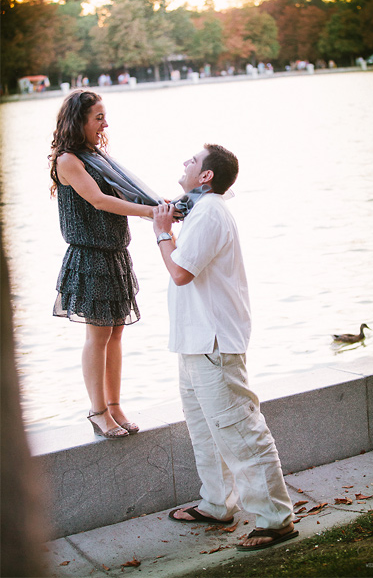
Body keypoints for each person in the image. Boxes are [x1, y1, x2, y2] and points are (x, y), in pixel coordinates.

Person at [151, 144, 297, 551]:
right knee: (205, 431)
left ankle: (275, 519)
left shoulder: (211, 211)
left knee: (241, 432)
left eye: (192, 160)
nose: (184, 162)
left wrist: (162, 232)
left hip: (214, 342)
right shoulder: (199, 211)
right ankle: (217, 504)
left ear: (206, 176)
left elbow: (180, 271)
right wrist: (169, 227)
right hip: (194, 341)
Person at [49, 90, 152, 439]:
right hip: (90, 255)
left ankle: (115, 404)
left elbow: (126, 190)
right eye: (98, 117)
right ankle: (98, 411)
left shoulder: (96, 155)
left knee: (117, 331)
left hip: (114, 253)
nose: (105, 123)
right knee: (99, 335)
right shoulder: (68, 160)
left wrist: (160, 202)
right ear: (79, 121)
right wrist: (152, 212)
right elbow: (99, 200)